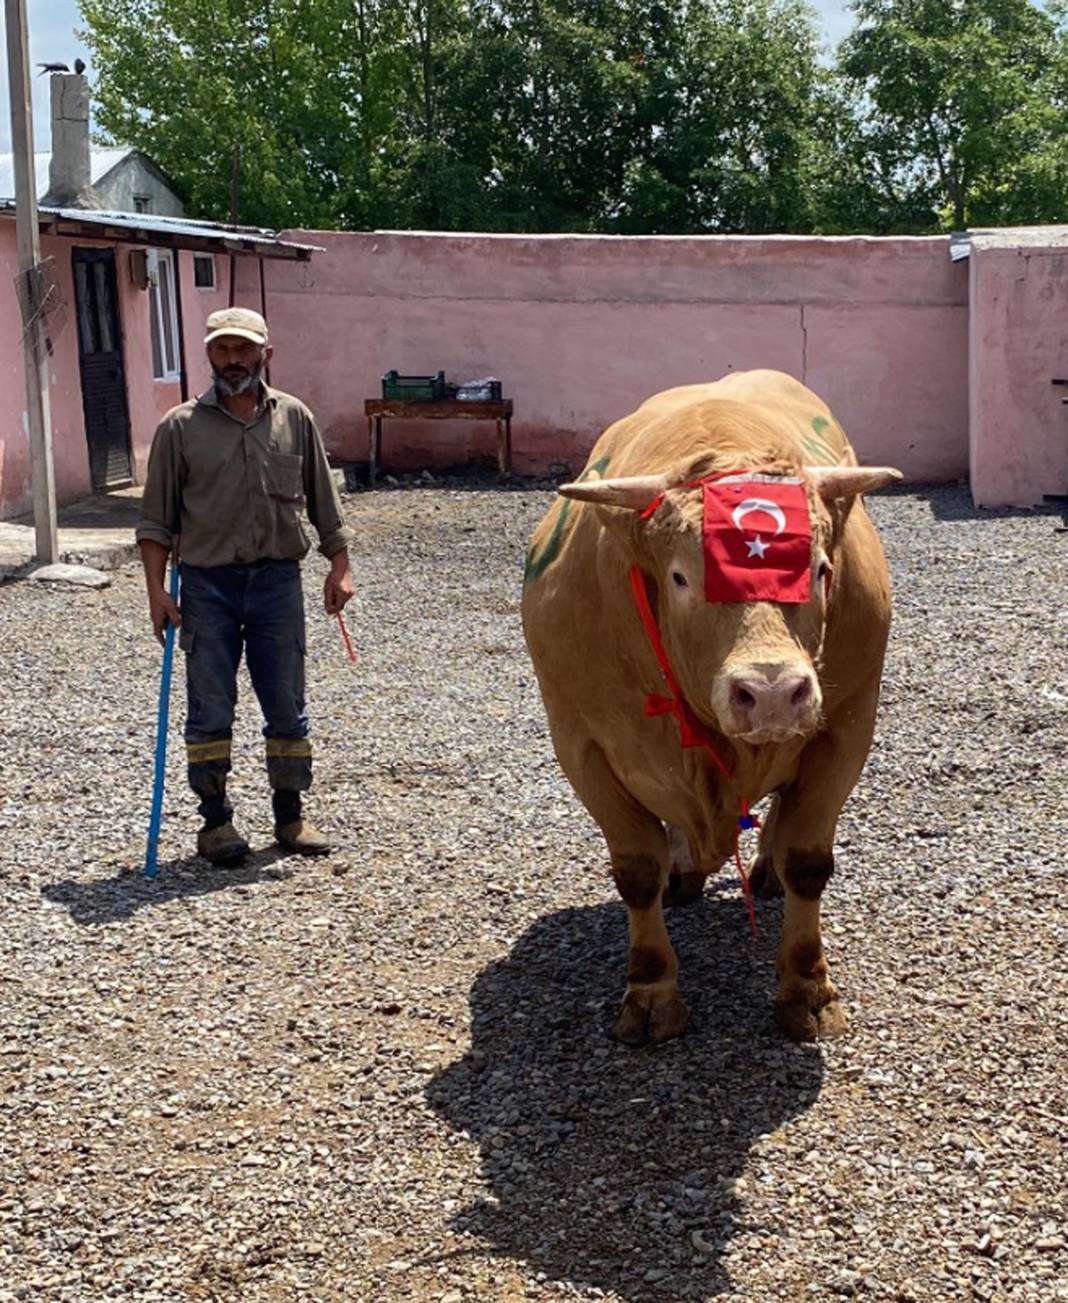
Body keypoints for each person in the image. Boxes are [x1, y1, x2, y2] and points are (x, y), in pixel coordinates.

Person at [136, 307, 354, 865]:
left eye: (243, 349)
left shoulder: (294, 418)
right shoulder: (179, 428)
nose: (234, 359)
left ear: (266, 354)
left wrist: (340, 565)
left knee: (286, 703)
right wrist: (157, 593)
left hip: (277, 582)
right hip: (207, 587)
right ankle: (215, 824)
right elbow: (156, 521)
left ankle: (290, 816)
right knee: (210, 706)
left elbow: (325, 503)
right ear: (209, 355)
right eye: (223, 349)